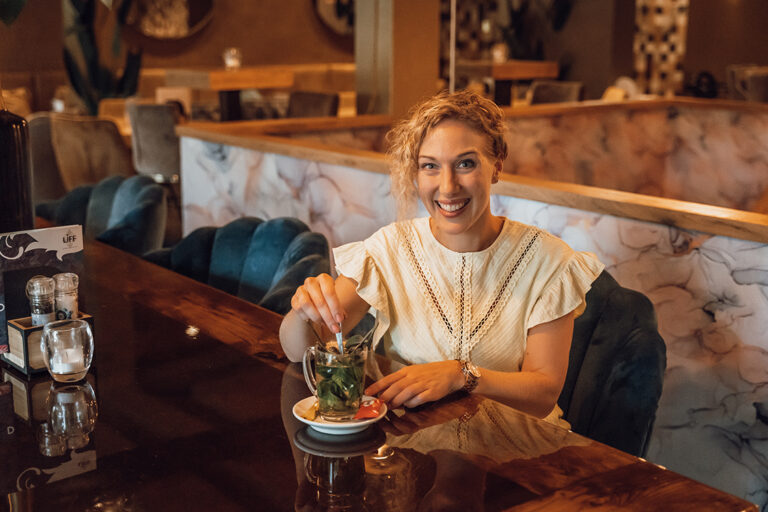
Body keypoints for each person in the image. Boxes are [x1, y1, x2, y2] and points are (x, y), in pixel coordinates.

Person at [279, 90, 603, 422]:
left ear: (496, 166)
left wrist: (461, 376)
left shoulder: (549, 262)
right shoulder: (389, 248)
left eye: (466, 163)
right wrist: (302, 311)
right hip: (412, 451)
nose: (447, 187)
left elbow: (542, 395)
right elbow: (297, 350)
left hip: (515, 453)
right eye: (430, 166)